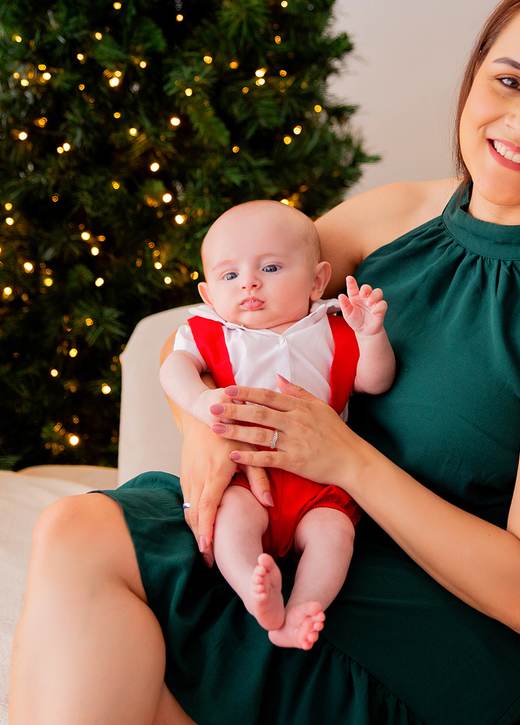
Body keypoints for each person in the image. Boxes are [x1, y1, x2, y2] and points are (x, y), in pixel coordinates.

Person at [9, 0, 520, 725]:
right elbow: (210, 328)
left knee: (107, 652)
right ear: (473, 79)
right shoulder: (395, 215)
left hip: (426, 623)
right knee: (73, 534)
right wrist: (203, 429)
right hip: (294, 537)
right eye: (509, 80)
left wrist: (346, 459)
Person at [159, 200, 395, 649]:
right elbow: (174, 368)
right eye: (229, 275)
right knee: (232, 521)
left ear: (317, 281)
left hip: (318, 480)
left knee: (334, 534)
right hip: (245, 475)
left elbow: (374, 381)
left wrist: (371, 336)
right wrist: (200, 401)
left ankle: (304, 606)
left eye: (269, 268)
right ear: (209, 295)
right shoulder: (211, 331)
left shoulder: (334, 328)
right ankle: (255, 592)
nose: (248, 282)